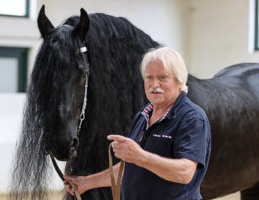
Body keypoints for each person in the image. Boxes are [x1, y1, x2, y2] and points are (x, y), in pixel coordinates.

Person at [64, 47, 211, 199]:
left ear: (180, 81)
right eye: (149, 77)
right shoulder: (143, 115)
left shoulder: (192, 118)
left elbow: (185, 173)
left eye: (163, 78)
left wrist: (140, 156)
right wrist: (86, 183)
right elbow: (130, 167)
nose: (154, 84)